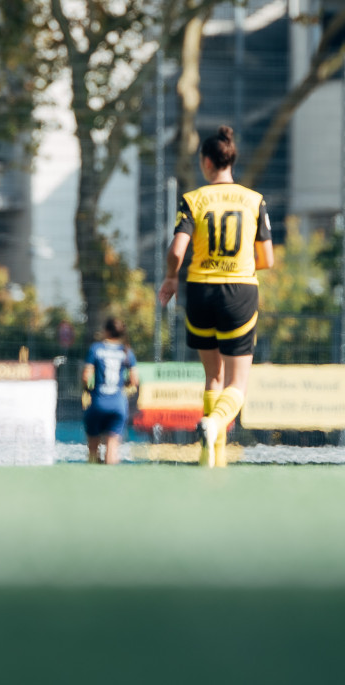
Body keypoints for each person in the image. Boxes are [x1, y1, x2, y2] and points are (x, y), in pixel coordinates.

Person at [158, 125, 275, 467]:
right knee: (238, 383)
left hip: (200, 291)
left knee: (213, 377)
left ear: (206, 162)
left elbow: (177, 251)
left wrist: (171, 277)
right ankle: (214, 423)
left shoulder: (194, 199)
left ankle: (212, 456)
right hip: (239, 291)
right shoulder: (254, 200)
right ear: (230, 161)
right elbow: (267, 259)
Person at [82, 317, 139, 465]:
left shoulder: (96, 348)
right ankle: (111, 478)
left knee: (93, 451)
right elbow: (135, 380)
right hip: (117, 404)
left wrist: (87, 391)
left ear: (106, 331)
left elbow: (86, 376)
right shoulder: (126, 351)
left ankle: (92, 477)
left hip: (98, 402)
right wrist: (122, 387)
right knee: (112, 449)